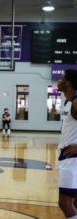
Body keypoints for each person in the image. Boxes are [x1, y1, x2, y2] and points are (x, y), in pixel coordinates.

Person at [57, 69, 77, 219]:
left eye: (62, 78)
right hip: (68, 157)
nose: (59, 80)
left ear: (68, 84)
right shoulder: (68, 101)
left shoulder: (76, 103)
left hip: (73, 159)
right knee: (74, 202)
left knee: (65, 202)